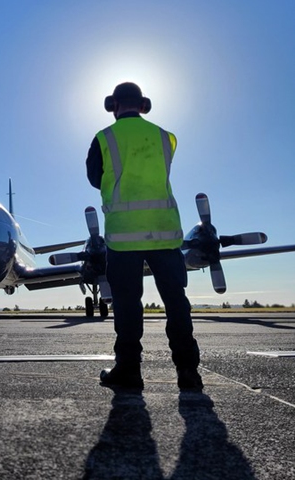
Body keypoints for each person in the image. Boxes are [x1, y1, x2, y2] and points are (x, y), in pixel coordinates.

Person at [86, 82, 202, 391]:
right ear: (143, 106)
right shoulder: (166, 137)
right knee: (176, 301)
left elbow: (94, 178)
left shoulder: (104, 138)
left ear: (113, 106)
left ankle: (129, 371)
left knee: (127, 303)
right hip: (165, 232)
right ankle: (188, 371)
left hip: (124, 236)